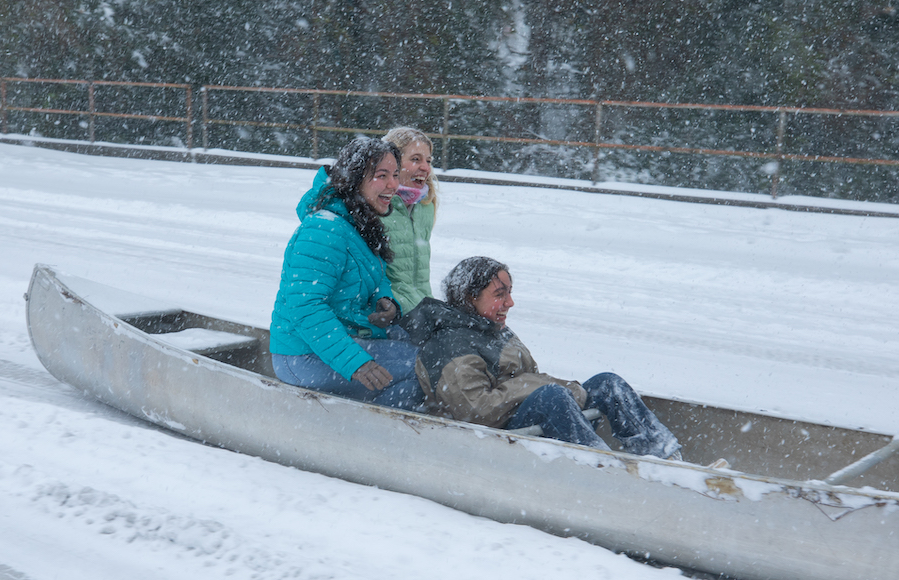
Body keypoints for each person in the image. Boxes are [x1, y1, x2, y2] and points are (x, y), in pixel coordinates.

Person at [399, 257, 682, 459]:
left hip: (528, 422)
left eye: (509, 293)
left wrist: (544, 389)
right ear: (471, 297)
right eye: (500, 294)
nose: (510, 303)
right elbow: (476, 411)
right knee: (550, 397)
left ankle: (665, 458)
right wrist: (540, 389)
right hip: (495, 439)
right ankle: (603, 470)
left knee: (608, 383)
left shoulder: (492, 328)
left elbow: (527, 379)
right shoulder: (451, 343)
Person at [270, 137, 423, 409]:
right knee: (422, 368)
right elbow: (305, 306)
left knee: (427, 350)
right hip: (303, 355)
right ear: (354, 179)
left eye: (395, 175)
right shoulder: (323, 229)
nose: (393, 185)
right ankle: (373, 435)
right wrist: (355, 362)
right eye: (381, 176)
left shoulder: (360, 222)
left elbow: (376, 277)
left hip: (343, 340)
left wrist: (386, 301)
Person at [380, 126, 439, 313]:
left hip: (422, 309)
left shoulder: (425, 205)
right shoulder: (376, 205)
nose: (425, 167)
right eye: (415, 159)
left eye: (428, 161)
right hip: (390, 312)